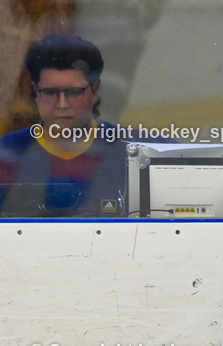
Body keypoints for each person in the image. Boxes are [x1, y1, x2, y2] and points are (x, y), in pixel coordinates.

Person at [0, 35, 129, 216]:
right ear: (35, 92)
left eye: (74, 92)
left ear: (95, 90)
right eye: (50, 92)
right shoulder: (5, 157)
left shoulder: (134, 154)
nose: (62, 104)